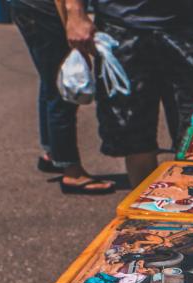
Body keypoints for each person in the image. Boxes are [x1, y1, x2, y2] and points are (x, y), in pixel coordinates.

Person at [62, 0, 193, 186]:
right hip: (121, 26)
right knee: (134, 139)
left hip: (187, 28)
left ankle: (190, 208)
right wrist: (75, 12)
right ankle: (145, 210)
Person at [12, 0, 115, 194]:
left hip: (29, 7)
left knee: (50, 82)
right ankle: (72, 172)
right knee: (63, 87)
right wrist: (74, 16)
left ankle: (53, 153)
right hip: (48, 9)